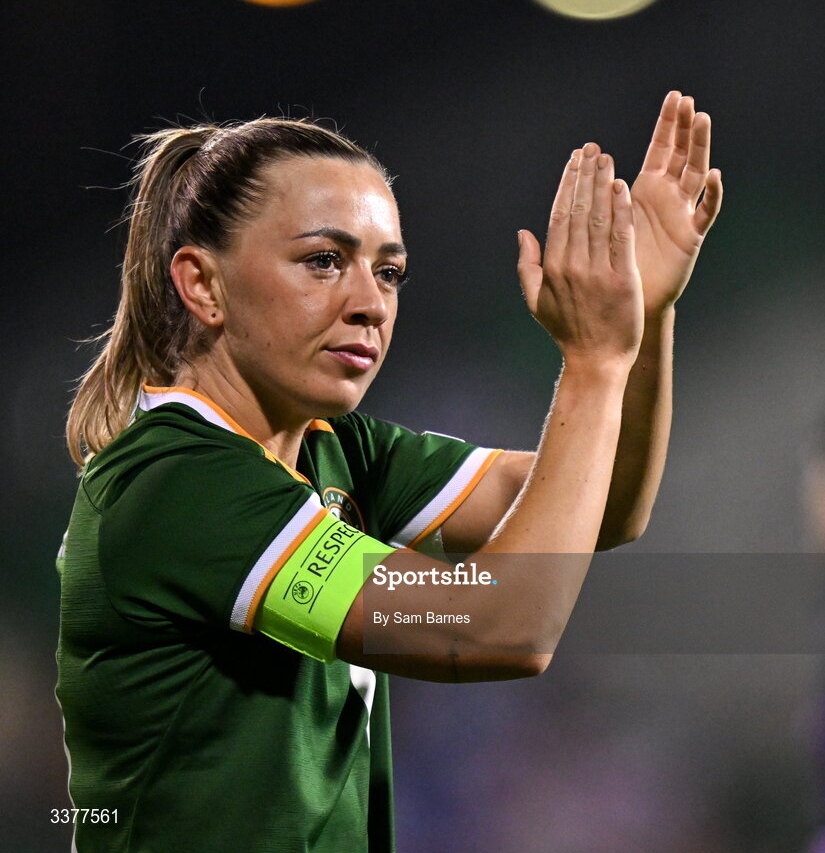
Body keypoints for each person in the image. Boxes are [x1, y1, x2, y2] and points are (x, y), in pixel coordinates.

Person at [56, 92, 722, 852]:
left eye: (390, 272)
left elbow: (600, 508)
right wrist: (593, 362)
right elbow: (492, 629)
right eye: (323, 261)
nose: (370, 303)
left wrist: (645, 315)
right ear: (202, 284)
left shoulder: (337, 451)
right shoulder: (178, 483)